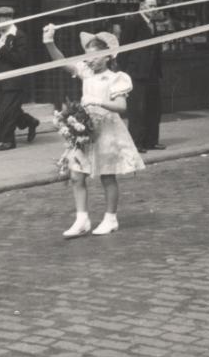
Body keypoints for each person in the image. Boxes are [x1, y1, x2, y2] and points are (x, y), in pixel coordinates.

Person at [42, 26, 145, 237]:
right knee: (76, 175)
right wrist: (49, 42)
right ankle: (82, 219)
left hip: (107, 131)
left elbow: (122, 107)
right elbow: (62, 62)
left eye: (95, 57)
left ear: (107, 57)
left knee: (107, 176)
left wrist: (99, 101)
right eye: (87, 57)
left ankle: (111, 218)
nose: (89, 61)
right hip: (85, 132)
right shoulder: (86, 72)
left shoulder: (116, 78)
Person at [0, 6, 39, 151]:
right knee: (6, 108)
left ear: (9, 19)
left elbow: (20, 60)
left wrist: (3, 49)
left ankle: (9, 141)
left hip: (15, 81)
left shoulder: (19, 36)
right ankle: (30, 121)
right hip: (1, 81)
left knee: (7, 111)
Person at [118, 0, 164, 153]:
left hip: (152, 72)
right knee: (137, 109)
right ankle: (136, 143)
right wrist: (123, 72)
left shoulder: (153, 23)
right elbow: (123, 48)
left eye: (155, 5)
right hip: (136, 72)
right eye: (151, 6)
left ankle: (151, 140)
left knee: (153, 107)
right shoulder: (132, 22)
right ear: (141, 6)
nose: (154, 9)